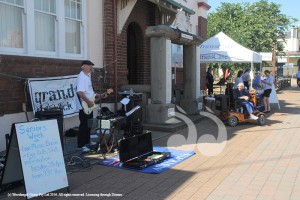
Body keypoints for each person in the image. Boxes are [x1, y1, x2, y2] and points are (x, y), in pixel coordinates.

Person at [76, 60, 107, 152]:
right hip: (84, 105)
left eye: (91, 66)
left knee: (89, 124)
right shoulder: (81, 77)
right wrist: (88, 102)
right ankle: (81, 145)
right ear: (83, 67)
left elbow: (90, 92)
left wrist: (100, 95)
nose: (91, 67)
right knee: (84, 124)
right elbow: (80, 92)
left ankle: (87, 141)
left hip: (89, 104)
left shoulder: (87, 76)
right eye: (89, 66)